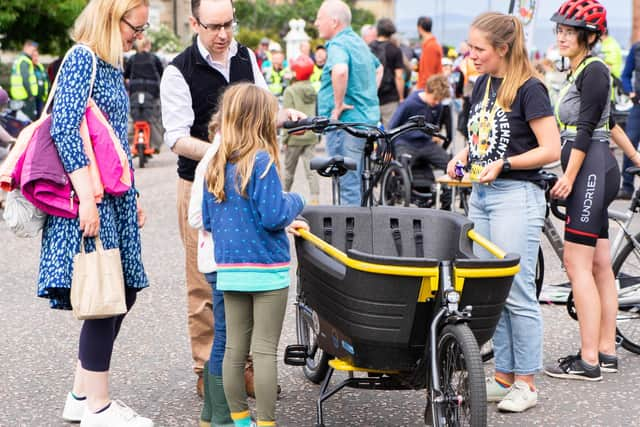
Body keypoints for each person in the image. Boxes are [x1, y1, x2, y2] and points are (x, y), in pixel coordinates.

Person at [160, 0, 301, 397]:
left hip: (249, 181)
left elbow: (261, 110)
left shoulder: (246, 57)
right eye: (214, 26)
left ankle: (248, 369)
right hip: (203, 185)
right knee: (205, 281)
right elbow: (175, 138)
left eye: (229, 25)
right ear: (194, 23)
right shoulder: (177, 70)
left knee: (250, 275)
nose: (223, 35)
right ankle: (209, 371)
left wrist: (283, 114)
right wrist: (225, 154)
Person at [40, 0, 152, 425]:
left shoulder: (104, 63)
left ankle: (80, 395)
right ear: (111, 17)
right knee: (108, 297)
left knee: (120, 292)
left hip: (112, 197)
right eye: (134, 27)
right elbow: (64, 127)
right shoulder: (83, 58)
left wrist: (134, 193)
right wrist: (87, 197)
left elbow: (111, 140)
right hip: (93, 199)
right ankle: (98, 409)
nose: (136, 37)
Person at [446, 12, 560, 412]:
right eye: (470, 47)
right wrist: (461, 155)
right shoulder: (482, 84)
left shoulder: (530, 88)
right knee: (493, 293)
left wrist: (506, 165)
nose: (471, 55)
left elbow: (551, 148)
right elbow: (479, 139)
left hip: (516, 195)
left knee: (518, 291)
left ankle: (526, 383)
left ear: (503, 48)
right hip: (483, 194)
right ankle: (503, 377)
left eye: (479, 49)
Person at [202, 83, 308, 427]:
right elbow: (274, 215)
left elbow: (206, 220)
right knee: (263, 351)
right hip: (268, 270)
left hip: (231, 270)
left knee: (234, 348)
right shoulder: (260, 161)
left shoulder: (216, 163)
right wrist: (297, 202)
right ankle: (266, 422)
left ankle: (240, 420)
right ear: (262, 121)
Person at [544, 0, 629, 382]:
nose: (562, 35)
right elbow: (610, 125)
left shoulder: (593, 71)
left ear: (590, 36)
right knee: (598, 266)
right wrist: (636, 157)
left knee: (576, 265)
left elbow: (586, 129)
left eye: (570, 30)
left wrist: (569, 176)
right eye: (559, 29)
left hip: (590, 171)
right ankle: (607, 350)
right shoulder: (583, 69)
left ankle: (588, 359)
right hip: (598, 167)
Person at [188, 112, 234, 427]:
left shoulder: (224, 155)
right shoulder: (214, 160)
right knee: (227, 338)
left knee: (225, 335)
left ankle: (210, 415)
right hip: (222, 261)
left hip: (221, 260)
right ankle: (222, 418)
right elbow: (196, 216)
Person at [315, 0, 382, 206]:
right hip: (365, 121)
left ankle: (350, 236)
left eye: (319, 19)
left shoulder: (338, 44)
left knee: (347, 185)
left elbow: (340, 70)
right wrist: (367, 94)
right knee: (359, 182)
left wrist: (338, 105)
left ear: (334, 22)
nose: (316, 23)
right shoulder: (358, 42)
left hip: (346, 124)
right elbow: (378, 68)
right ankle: (360, 230)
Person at [388, 74, 452, 208]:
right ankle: (394, 193)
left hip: (426, 143)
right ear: (428, 91)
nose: (436, 102)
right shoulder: (409, 104)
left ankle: (447, 200)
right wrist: (389, 151)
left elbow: (434, 125)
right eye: (435, 98)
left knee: (450, 164)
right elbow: (392, 126)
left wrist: (435, 135)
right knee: (403, 166)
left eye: (439, 100)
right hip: (406, 142)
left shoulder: (437, 106)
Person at [282, 55, 319, 204]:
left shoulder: (290, 91)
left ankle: (283, 196)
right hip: (310, 135)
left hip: (294, 136)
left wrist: (284, 138)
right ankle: (315, 198)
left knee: (289, 170)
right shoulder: (312, 90)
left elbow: (287, 115)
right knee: (312, 170)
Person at [124, 36, 164, 152]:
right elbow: (161, 73)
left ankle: (130, 140)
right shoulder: (154, 58)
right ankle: (155, 145)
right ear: (148, 45)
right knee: (155, 117)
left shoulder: (132, 59)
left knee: (133, 116)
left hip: (135, 91)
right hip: (152, 92)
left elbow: (126, 75)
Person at [369, 18, 405, 126]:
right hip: (389, 98)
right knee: (390, 133)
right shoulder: (395, 50)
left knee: (370, 132)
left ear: (378, 30)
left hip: (371, 97)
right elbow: (399, 76)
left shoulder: (368, 48)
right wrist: (401, 97)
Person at [617, 40, 640, 200]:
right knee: (629, 141)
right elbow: (625, 75)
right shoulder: (636, 49)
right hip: (638, 106)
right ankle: (627, 187)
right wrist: (630, 92)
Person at [9, 40, 39, 120]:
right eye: (32, 50)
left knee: (20, 119)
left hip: (19, 95)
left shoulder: (20, 59)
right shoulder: (24, 61)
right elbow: (25, 79)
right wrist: (30, 95)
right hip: (25, 96)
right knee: (27, 120)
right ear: (26, 47)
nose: (33, 52)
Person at [416, 16, 443, 91]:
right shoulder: (429, 45)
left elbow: (429, 73)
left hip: (428, 90)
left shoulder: (431, 46)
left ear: (419, 28)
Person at [32, 50, 49, 118]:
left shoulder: (40, 66)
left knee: (40, 117)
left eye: (37, 56)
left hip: (41, 97)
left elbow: (45, 79)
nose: (36, 58)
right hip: (32, 98)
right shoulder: (29, 67)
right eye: (34, 56)